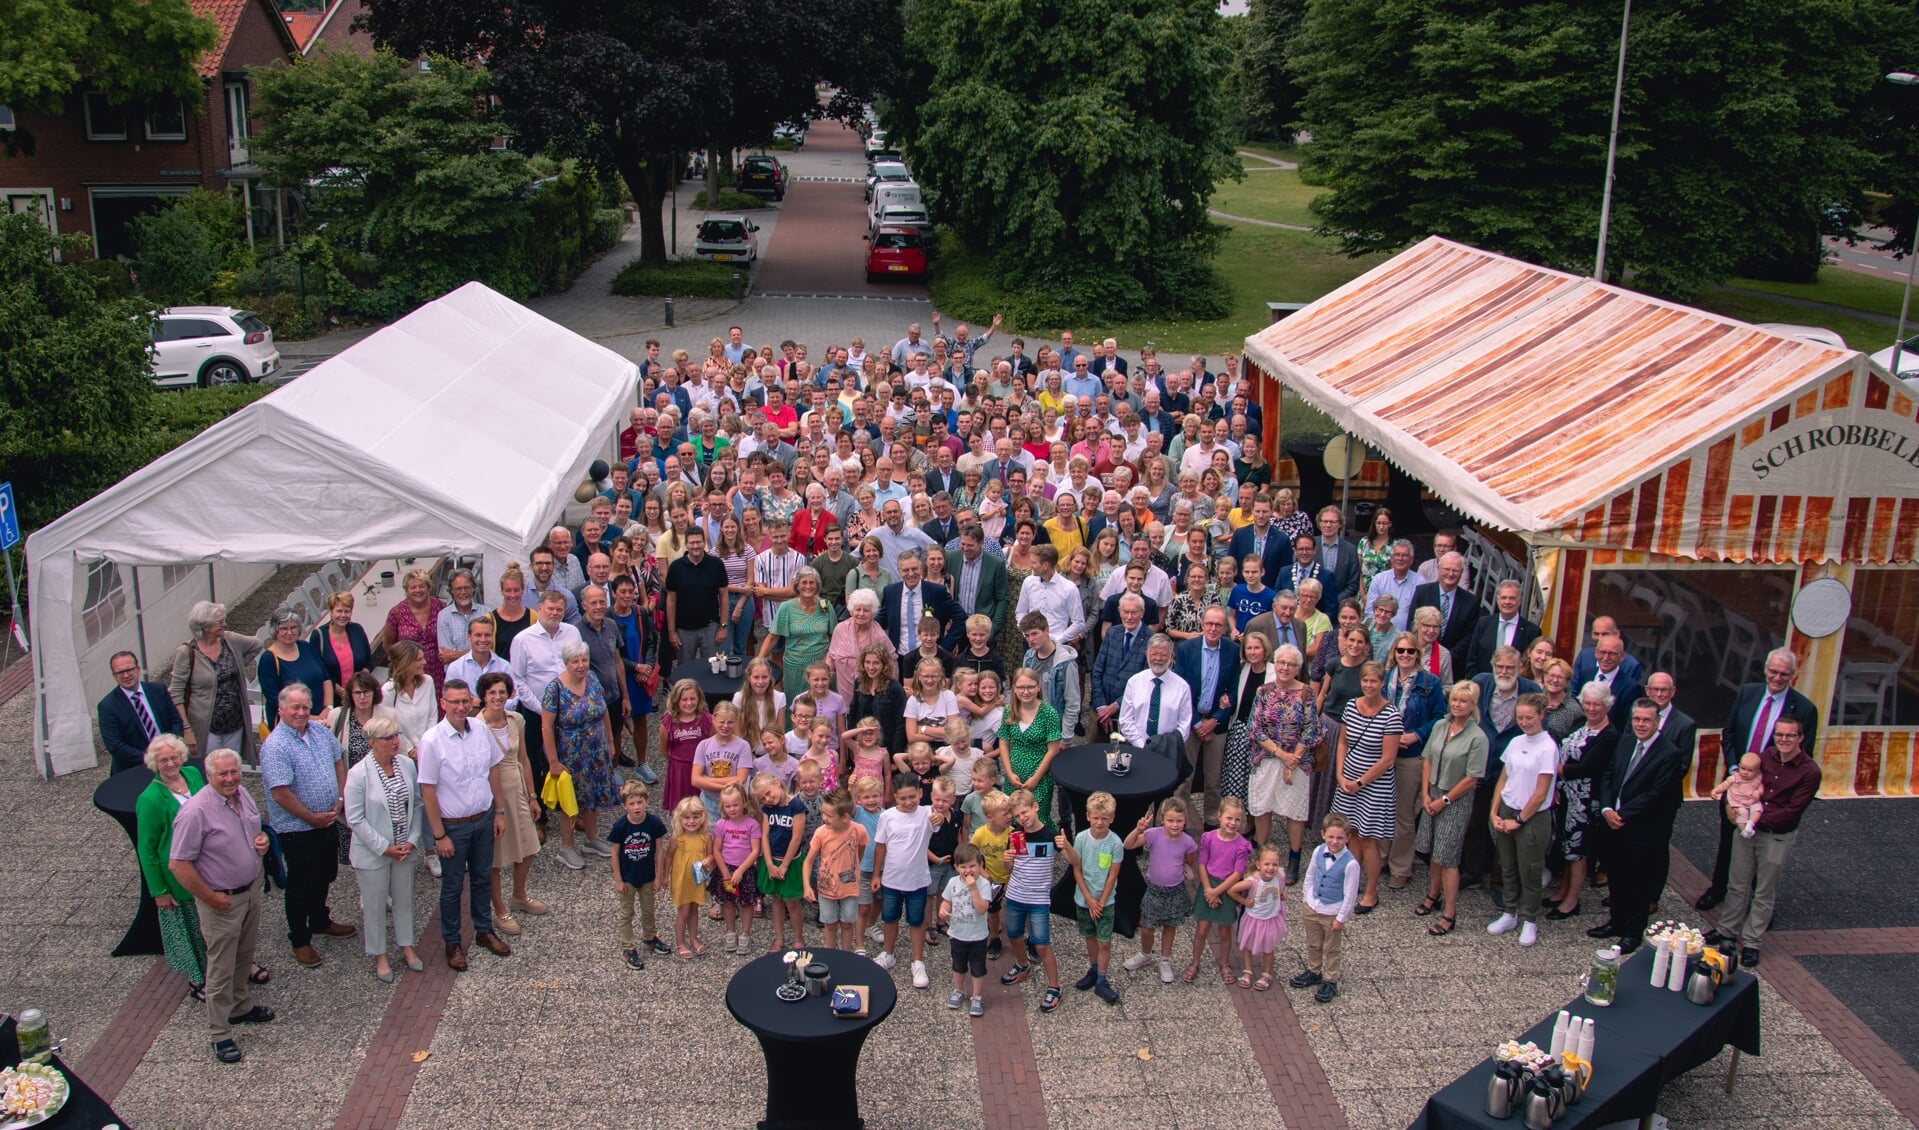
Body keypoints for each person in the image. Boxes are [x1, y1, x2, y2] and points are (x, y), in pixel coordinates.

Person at [167, 748, 273, 1063]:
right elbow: (179, 864)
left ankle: (241, 1007)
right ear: (209, 776)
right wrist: (211, 897)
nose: (230, 779)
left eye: (234, 772)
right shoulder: (195, 811)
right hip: (221, 901)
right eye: (222, 774)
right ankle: (219, 1033)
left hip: (250, 890)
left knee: (244, 955)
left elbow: (254, 831)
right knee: (220, 968)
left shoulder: (243, 795)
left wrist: (262, 843)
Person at [1698, 648, 1820, 911]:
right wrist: (1734, 769)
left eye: (1783, 674)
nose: (1777, 677)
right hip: (1737, 783)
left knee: (1762, 850)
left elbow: (1803, 754)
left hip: (1772, 791)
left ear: (1793, 676)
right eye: (1773, 671)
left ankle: (1758, 904)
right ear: (1765, 669)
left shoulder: (1805, 709)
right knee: (1728, 839)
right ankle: (1719, 889)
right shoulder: (1748, 693)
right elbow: (1729, 732)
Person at [1705, 715, 1820, 967]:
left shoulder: (1810, 771)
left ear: (1801, 738)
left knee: (1764, 892)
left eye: (1790, 735)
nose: (1784, 739)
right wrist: (1732, 809)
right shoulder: (1765, 757)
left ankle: (1752, 942)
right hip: (1747, 829)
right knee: (1737, 884)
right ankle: (1726, 931)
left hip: (1776, 836)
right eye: (1779, 734)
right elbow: (1740, 783)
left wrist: (1750, 818)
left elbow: (1792, 810)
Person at [417, 678, 512, 971]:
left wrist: (498, 811)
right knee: (452, 887)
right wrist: (439, 835)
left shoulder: (481, 730)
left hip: (483, 819)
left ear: (472, 702)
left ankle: (483, 930)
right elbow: (428, 791)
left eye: (464, 701)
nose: (460, 707)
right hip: (453, 827)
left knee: (483, 877)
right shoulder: (432, 741)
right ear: (443, 704)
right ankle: (452, 941)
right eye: (453, 702)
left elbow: (493, 769)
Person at [259, 685, 352, 968]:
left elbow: (338, 759)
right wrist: (311, 818)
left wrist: (339, 797)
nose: (300, 713)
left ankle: (320, 920)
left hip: (326, 820)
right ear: (281, 709)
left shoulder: (320, 731)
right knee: (300, 884)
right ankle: (300, 938)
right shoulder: (275, 746)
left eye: (304, 707)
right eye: (294, 708)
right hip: (297, 830)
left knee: (324, 874)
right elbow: (280, 793)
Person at [1589, 699, 1686, 955]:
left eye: (1646, 720)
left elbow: (1657, 794)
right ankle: (1616, 921)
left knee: (1639, 882)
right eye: (1637, 719)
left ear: (1657, 722)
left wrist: (1622, 814)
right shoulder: (1624, 741)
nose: (1641, 724)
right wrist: (1607, 808)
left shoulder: (1669, 753)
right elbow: (1609, 774)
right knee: (1618, 876)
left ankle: (1633, 931)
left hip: (1643, 828)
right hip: (1614, 823)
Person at [342, 715, 425, 982]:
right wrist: (385, 847)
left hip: (404, 848)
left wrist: (412, 840)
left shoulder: (406, 765)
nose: (395, 742)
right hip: (373, 853)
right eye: (388, 738)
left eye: (396, 735)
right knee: (375, 905)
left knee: (404, 900)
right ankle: (379, 954)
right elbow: (355, 819)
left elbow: (417, 804)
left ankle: (407, 946)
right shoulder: (358, 774)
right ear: (372, 742)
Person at [136, 735, 213, 998]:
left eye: (173, 757)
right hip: (178, 874)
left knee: (214, 924)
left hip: (207, 863)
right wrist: (158, 891)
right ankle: (198, 979)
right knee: (191, 929)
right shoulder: (149, 799)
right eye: (163, 760)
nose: (170, 763)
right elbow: (146, 849)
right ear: (154, 764)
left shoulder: (192, 774)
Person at [1411, 683, 1488, 937]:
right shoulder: (1441, 726)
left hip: (1455, 799)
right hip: (1432, 791)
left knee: (1448, 856)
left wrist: (1443, 800)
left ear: (1473, 705)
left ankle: (1450, 913)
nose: (1457, 705)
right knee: (1433, 849)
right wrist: (1425, 794)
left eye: (1463, 701)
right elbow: (1428, 759)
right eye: (1454, 700)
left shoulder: (1478, 737)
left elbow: (1471, 778)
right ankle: (1433, 895)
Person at [474, 671, 546, 935]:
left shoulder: (516, 719)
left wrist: (532, 795)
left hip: (517, 785)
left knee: (528, 846)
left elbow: (525, 759)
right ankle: (500, 909)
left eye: (501, 691)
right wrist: (495, 809)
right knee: (495, 857)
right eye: (492, 692)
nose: (497, 697)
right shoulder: (476, 726)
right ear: (483, 695)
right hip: (492, 793)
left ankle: (519, 894)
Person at [1485, 694, 1557, 947]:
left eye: (1529, 717)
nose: (1524, 722)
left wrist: (1519, 820)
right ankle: (1510, 911)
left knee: (1530, 870)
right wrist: (1494, 811)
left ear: (1541, 716)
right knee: (1507, 865)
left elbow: (1540, 792)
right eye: (1520, 717)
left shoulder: (1548, 747)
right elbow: (1504, 779)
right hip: (1507, 809)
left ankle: (1530, 918)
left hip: (1532, 817)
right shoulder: (1515, 742)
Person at [1330, 662, 1400, 914]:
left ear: (1382, 684)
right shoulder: (1351, 706)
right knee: (1351, 834)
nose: (1369, 685)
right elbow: (1343, 742)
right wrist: (1340, 774)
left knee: (1369, 839)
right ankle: (1352, 883)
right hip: (1347, 780)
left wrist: (1361, 782)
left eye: (1374, 681)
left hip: (1373, 785)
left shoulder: (1391, 715)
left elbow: (1388, 759)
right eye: (1365, 681)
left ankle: (1371, 892)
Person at [1543, 682, 1615, 920]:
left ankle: (1572, 900)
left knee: (1579, 852)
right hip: (1566, 796)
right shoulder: (1580, 723)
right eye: (1588, 704)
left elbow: (1585, 768)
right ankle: (1562, 891)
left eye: (1597, 704)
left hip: (1585, 802)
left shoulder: (1608, 735)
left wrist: (1550, 768)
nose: (1592, 708)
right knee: (1566, 848)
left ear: (1606, 705)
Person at [509, 591, 582, 819]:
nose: (554, 613)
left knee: (571, 758)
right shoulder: (522, 639)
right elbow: (518, 679)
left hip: (568, 710)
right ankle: (540, 815)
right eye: (550, 608)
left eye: (559, 609)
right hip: (535, 711)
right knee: (536, 760)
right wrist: (540, 708)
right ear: (539, 609)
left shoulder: (572, 632)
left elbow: (580, 667)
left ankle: (571, 809)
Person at [1382, 633, 1446, 890]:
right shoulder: (1386, 679)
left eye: (1410, 651)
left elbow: (1441, 717)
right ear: (1394, 653)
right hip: (1385, 754)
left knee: (1404, 814)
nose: (1405, 655)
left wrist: (1417, 735)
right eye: (1401, 651)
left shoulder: (1430, 683)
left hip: (1411, 755)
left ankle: (1400, 866)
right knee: (1383, 809)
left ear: (1418, 654)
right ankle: (1382, 857)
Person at [169, 601, 265, 764]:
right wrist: (187, 729)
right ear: (204, 626)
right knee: (211, 769)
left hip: (235, 721)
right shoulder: (187, 653)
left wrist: (238, 666)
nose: (224, 625)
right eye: (219, 622)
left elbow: (256, 644)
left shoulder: (230, 640)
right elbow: (175, 693)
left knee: (232, 765)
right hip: (207, 726)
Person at [999, 788, 1066, 1013]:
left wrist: (1066, 847)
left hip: (1039, 899)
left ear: (1035, 807)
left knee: (1042, 944)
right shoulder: (1015, 835)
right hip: (1015, 895)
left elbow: (1074, 862)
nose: (1022, 818)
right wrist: (1007, 860)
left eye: (1024, 812)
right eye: (1017, 816)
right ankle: (1022, 965)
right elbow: (1010, 866)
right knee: (1015, 936)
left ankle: (1054, 986)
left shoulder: (1051, 835)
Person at [1175, 609, 1239, 827]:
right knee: (1185, 776)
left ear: (1224, 628)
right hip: (1191, 721)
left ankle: (1212, 820)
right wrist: (1196, 723)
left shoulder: (1232, 650)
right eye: (1209, 623)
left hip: (1216, 725)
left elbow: (1233, 690)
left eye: (1218, 625)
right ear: (1202, 624)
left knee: (1213, 778)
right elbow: (1181, 689)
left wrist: (1215, 720)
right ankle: (1181, 819)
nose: (1213, 628)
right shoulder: (1186, 649)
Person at [872, 771, 937, 986]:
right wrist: (876, 874)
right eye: (903, 798)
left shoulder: (928, 813)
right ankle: (888, 953)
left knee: (917, 921)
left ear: (920, 794)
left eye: (912, 797)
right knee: (889, 918)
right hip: (891, 880)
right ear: (895, 796)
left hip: (917, 881)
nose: (908, 802)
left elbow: (941, 817)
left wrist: (942, 816)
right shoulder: (887, 817)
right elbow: (880, 846)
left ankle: (918, 962)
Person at [1062, 791, 1126, 1004]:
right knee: (1089, 936)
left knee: (1104, 941)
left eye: (1104, 818)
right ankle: (1094, 968)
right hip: (1084, 899)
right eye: (1096, 817)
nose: (1100, 822)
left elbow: (1113, 875)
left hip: (1105, 902)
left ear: (1112, 818)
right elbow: (1077, 869)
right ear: (1088, 816)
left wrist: (1100, 901)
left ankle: (1102, 979)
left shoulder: (1115, 843)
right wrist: (1089, 899)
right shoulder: (1081, 838)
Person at [1291, 811, 1360, 1004]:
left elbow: (1350, 893)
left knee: (1331, 948)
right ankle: (1314, 970)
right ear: (1323, 834)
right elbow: (1311, 875)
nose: (1335, 841)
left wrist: (1341, 918)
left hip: (1332, 912)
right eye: (1331, 836)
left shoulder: (1351, 864)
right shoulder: (1318, 851)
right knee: (1314, 943)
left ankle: (1330, 979)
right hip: (1313, 907)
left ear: (1347, 838)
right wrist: (1307, 898)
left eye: (1340, 838)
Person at [608, 779, 669, 970]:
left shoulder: (654, 823)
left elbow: (659, 850)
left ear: (646, 801)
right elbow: (614, 853)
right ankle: (628, 947)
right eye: (632, 803)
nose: (636, 807)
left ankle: (650, 937)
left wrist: (659, 876)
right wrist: (618, 879)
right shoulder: (620, 827)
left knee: (648, 909)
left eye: (639, 802)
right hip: (628, 877)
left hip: (647, 876)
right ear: (625, 805)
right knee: (627, 912)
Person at [998, 665, 1066, 826]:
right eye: (1021, 687)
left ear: (1037, 687)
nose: (1025, 691)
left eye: (1030, 687)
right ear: (1014, 688)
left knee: (1037, 818)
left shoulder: (1048, 713)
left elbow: (1053, 749)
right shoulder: (1009, 710)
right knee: (1014, 818)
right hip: (1014, 776)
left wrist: (1036, 778)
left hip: (1039, 775)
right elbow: (1003, 742)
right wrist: (1008, 773)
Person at [101, 651, 186, 773]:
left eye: (129, 670)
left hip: (171, 763)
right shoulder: (108, 706)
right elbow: (115, 745)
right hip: (135, 769)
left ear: (138, 669)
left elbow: (176, 721)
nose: (125, 675)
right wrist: (153, 759)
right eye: (120, 672)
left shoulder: (158, 690)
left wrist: (172, 749)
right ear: (114, 675)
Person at [806, 793, 871, 953]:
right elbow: (808, 861)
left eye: (829, 815)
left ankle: (846, 955)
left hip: (850, 888)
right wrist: (807, 886)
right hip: (827, 887)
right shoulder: (821, 833)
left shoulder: (859, 830)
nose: (824, 818)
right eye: (823, 813)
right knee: (830, 924)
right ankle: (831, 954)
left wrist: (853, 869)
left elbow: (859, 851)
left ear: (845, 817)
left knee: (847, 923)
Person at [756, 772, 810, 950]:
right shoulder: (767, 809)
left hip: (790, 861)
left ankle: (798, 939)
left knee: (792, 902)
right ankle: (778, 937)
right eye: (763, 798)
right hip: (772, 860)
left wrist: (785, 865)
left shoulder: (796, 805)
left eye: (769, 793)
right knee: (776, 899)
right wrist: (770, 864)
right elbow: (764, 835)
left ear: (777, 783)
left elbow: (796, 838)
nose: (768, 799)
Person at [940, 844, 994, 1017]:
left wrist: (973, 889)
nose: (968, 870)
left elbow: (981, 909)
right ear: (956, 868)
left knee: (978, 967)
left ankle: (976, 996)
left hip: (978, 936)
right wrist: (943, 909)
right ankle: (958, 990)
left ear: (980, 866)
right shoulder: (952, 882)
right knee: (958, 965)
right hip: (957, 934)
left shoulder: (983, 884)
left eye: (972, 866)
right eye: (963, 867)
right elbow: (946, 900)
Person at [761, 566, 834, 695]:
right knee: (795, 706)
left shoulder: (825, 605)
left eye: (812, 583)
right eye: (804, 582)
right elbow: (772, 637)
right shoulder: (787, 607)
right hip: (794, 667)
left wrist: (828, 660)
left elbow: (834, 636)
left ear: (817, 586)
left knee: (820, 705)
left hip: (820, 668)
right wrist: (758, 661)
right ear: (797, 586)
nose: (808, 586)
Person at [665, 527, 730, 663]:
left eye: (699, 542)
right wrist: (672, 631)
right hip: (684, 629)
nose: (696, 546)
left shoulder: (716, 564)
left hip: (710, 626)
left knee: (712, 668)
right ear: (686, 544)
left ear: (704, 543)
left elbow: (724, 597)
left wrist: (723, 626)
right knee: (685, 670)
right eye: (692, 543)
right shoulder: (676, 568)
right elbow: (671, 600)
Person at [379, 568, 448, 695]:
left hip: (438, 670)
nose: (418, 590)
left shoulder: (441, 607)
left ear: (428, 587)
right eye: (413, 587)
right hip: (408, 673)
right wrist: (404, 663)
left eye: (421, 586)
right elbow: (388, 645)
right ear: (406, 590)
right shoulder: (397, 612)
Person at [662, 796, 716, 958]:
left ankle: (693, 938)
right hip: (682, 880)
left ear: (703, 817)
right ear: (680, 818)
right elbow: (669, 856)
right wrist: (665, 875)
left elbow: (711, 855)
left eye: (695, 817)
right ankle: (680, 942)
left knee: (694, 910)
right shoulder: (677, 837)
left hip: (696, 879)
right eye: (687, 818)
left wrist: (708, 860)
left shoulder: (705, 836)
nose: (691, 821)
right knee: (683, 911)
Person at [1231, 846, 1289, 991]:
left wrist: (1282, 895)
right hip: (1253, 918)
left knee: (1268, 949)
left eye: (1275, 864)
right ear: (1258, 865)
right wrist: (1244, 902)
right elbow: (1231, 890)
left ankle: (1266, 974)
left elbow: (1280, 889)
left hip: (1271, 919)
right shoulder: (1253, 881)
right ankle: (1248, 971)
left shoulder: (1280, 876)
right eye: (1267, 864)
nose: (1271, 868)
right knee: (1248, 946)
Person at [1462, 580, 1542, 679]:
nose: (1507, 602)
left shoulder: (1532, 631)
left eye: (1512, 598)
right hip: (1484, 687)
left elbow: (1530, 666)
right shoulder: (1483, 624)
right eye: (1503, 598)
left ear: (1519, 601)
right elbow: (1471, 660)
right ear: (1497, 600)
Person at [1407, 553, 1479, 652]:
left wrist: (1447, 657)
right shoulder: (1422, 592)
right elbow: (1412, 624)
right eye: (1447, 569)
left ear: (1461, 572)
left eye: (1455, 570)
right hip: (1421, 656)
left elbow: (1470, 635)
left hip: (1454, 660)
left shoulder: (1471, 602)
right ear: (1439, 569)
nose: (1450, 574)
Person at [311, 592, 372, 705]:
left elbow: (368, 661)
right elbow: (318, 671)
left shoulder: (357, 630)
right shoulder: (319, 636)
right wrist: (342, 691)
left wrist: (363, 676)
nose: (343, 615)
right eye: (339, 611)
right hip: (332, 699)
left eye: (347, 611)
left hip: (360, 696)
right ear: (331, 611)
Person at [381, 640, 437, 753]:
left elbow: (432, 717)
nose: (424, 662)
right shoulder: (388, 690)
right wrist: (410, 750)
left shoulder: (428, 682)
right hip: (402, 753)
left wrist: (425, 745)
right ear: (406, 663)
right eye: (419, 660)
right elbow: (391, 725)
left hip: (429, 748)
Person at [1712, 753, 1768, 836]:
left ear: (1757, 771)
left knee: (1758, 808)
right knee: (1741, 814)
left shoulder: (1757, 778)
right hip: (1739, 802)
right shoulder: (1735, 777)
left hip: (1752, 800)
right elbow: (1724, 785)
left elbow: (1761, 786)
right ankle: (1743, 831)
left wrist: (1758, 792)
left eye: (1750, 770)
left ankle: (1750, 824)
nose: (1745, 772)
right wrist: (1715, 791)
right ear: (1739, 766)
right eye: (1743, 768)